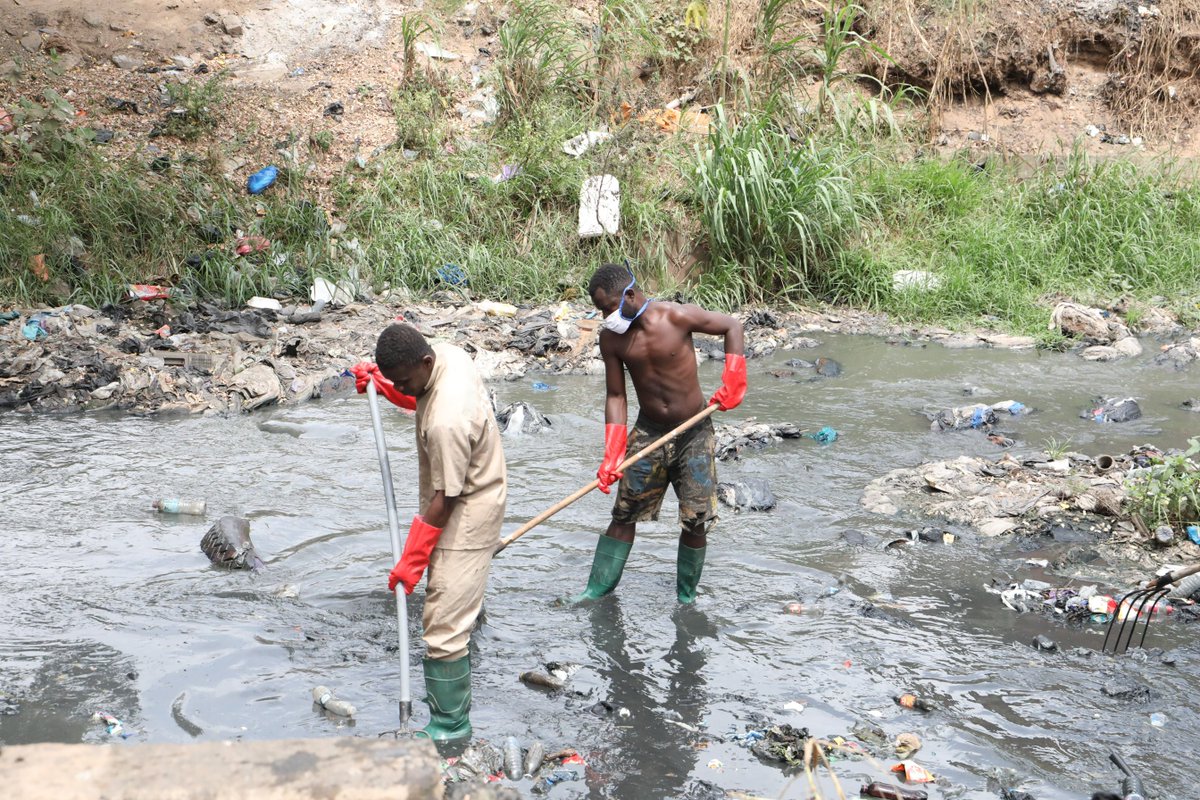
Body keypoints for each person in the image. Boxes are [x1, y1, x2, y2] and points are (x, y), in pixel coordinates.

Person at [351, 323, 507, 742]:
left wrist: (411, 561)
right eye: (395, 380)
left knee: (440, 627)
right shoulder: (447, 355)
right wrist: (385, 387)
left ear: (424, 362)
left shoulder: (447, 421)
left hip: (469, 505)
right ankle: (468, 612)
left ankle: (450, 729)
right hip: (467, 483)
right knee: (452, 597)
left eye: (403, 380)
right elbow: (418, 391)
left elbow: (447, 498)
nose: (402, 386)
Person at [578, 262, 745, 604]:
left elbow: (732, 326)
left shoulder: (677, 317)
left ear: (629, 294)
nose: (605, 317)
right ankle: (596, 590)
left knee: (696, 519)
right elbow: (616, 395)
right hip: (649, 433)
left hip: (694, 432)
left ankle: (686, 596)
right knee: (624, 514)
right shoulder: (611, 338)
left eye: (608, 308)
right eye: (600, 311)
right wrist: (612, 452)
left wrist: (734, 377)